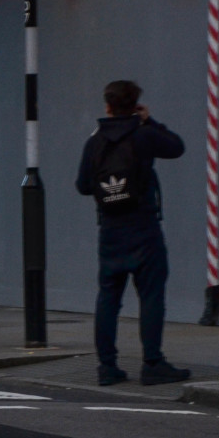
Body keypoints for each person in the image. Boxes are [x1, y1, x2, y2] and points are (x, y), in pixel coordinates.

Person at [76, 80, 191, 386]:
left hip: (111, 230)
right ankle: (153, 364)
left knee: (108, 298)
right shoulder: (144, 135)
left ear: (108, 106)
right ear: (135, 105)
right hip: (144, 227)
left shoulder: (95, 140)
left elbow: (83, 185)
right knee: (151, 296)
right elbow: (177, 147)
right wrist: (149, 120)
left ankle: (107, 367)